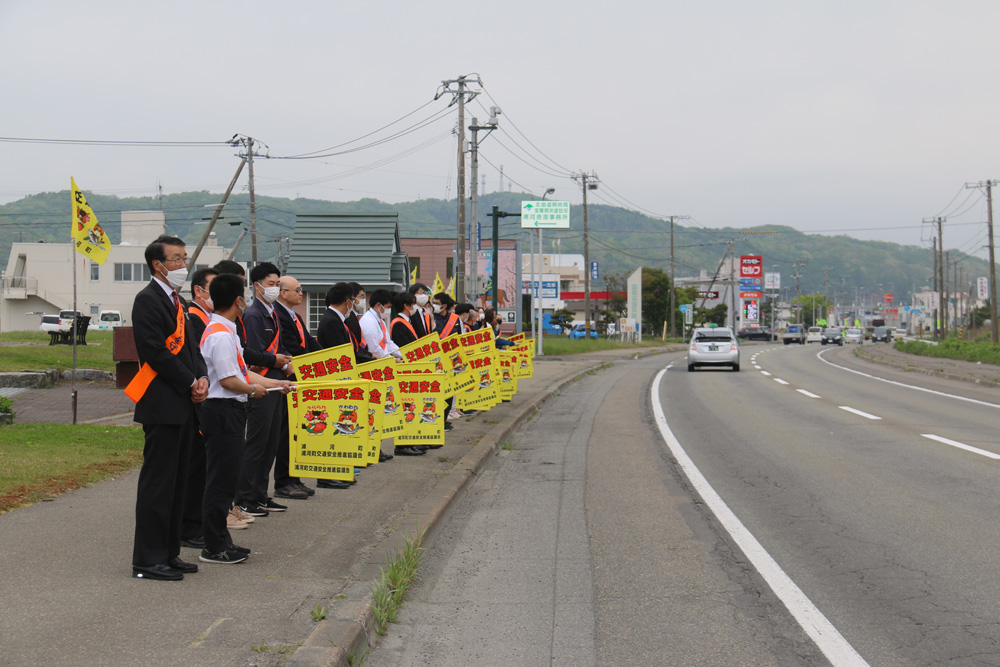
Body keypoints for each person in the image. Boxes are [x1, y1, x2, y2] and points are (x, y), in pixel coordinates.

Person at [127, 234, 208, 581]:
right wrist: (190, 382)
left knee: (178, 485)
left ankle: (170, 552)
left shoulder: (178, 301)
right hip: (162, 404)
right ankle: (148, 559)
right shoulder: (147, 301)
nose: (182, 265)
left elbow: (192, 349)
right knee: (158, 485)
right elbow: (155, 353)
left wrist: (201, 376)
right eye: (175, 259)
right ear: (157, 265)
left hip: (185, 405)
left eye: (184, 258)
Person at [199, 273, 294, 565]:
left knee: (226, 479)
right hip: (222, 411)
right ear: (239, 300)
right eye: (244, 296)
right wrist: (254, 390)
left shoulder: (228, 331)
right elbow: (230, 381)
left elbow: (242, 373)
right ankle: (213, 546)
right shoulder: (219, 333)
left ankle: (222, 543)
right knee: (219, 481)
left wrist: (277, 385)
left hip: (230, 409)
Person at [236, 262, 294, 516]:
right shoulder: (253, 314)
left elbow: (278, 347)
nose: (274, 289)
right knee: (257, 443)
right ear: (257, 285)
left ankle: (261, 494)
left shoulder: (271, 311)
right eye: (270, 284)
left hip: (277, 382)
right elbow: (255, 353)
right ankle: (245, 497)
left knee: (271, 443)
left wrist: (287, 361)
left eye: (277, 285)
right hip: (262, 382)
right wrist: (278, 362)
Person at [179, 267, 219, 550]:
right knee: (195, 466)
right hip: (196, 398)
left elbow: (199, 358)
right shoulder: (193, 317)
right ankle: (190, 526)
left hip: (208, 392)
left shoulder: (209, 318)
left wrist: (202, 377)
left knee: (203, 466)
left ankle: (197, 523)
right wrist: (196, 382)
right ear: (198, 291)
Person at [273, 275, 321, 499]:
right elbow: (291, 348)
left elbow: (309, 343)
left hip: (301, 379)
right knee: (286, 433)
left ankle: (295, 478)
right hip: (287, 379)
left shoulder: (295, 316)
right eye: (298, 290)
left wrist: (324, 358)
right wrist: (312, 362)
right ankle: (283, 481)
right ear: (284, 293)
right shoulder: (278, 314)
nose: (301, 293)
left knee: (296, 433)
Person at [318, 281, 374, 364]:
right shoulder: (332, 321)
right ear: (348, 302)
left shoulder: (337, 318)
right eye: (353, 300)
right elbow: (342, 354)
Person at [359, 289, 403, 362]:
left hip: (383, 360)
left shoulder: (380, 321)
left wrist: (403, 354)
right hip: (375, 363)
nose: (389, 310)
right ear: (378, 305)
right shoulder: (368, 322)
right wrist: (393, 360)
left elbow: (388, 343)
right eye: (388, 307)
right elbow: (374, 349)